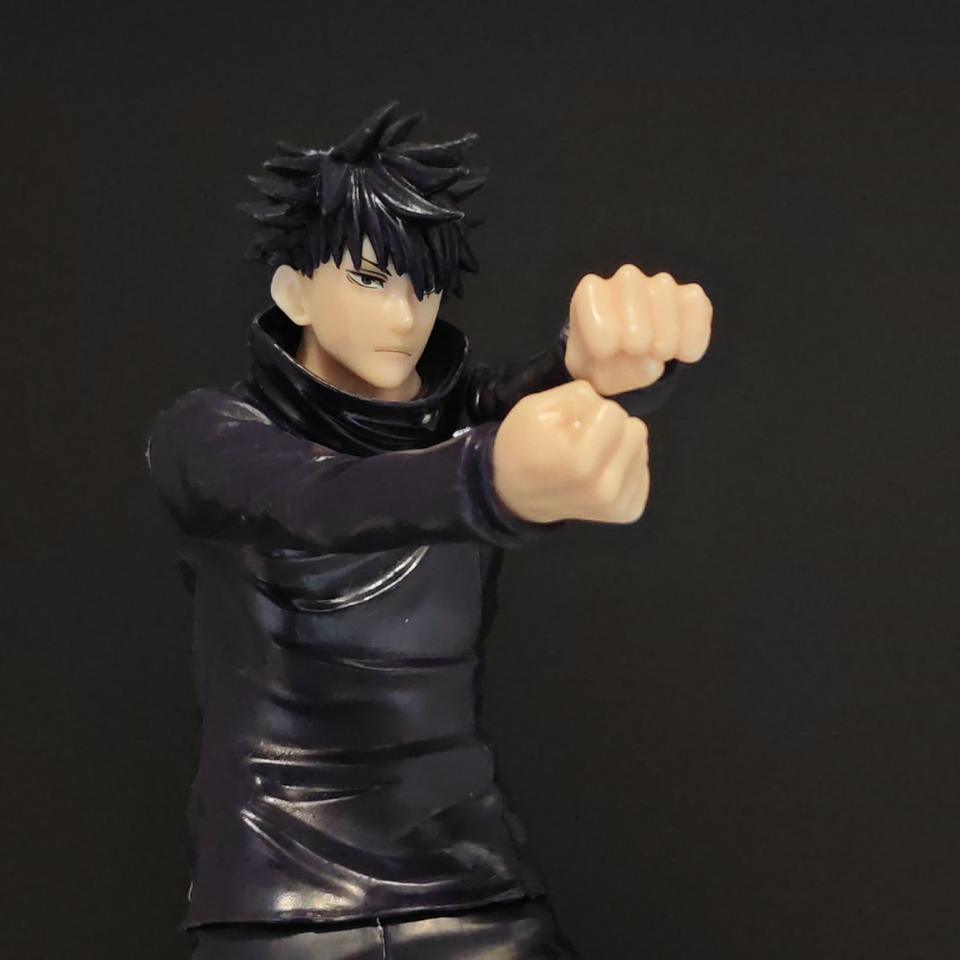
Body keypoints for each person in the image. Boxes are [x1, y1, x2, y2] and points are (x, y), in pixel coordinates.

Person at [145, 102, 712, 959]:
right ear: (294, 290)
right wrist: (487, 479)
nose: (404, 316)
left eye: (423, 284)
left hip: (470, 883)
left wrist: (619, 361)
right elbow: (317, 497)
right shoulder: (209, 436)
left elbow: (537, 399)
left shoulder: (465, 415)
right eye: (371, 279)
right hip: (281, 895)